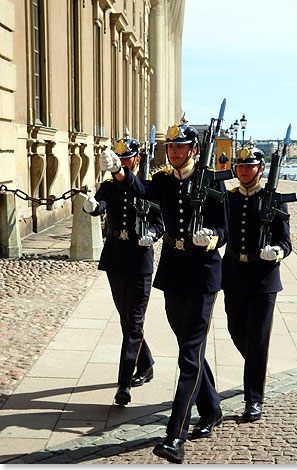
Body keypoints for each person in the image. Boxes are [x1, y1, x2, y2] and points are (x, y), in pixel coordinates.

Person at [99, 122, 229, 463]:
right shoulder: (163, 180)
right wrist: (121, 173)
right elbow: (141, 192)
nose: (174, 151)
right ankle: (212, 407)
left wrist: (212, 236)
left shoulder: (213, 180)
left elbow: (224, 227)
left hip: (203, 274)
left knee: (188, 355)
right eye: (171, 147)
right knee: (189, 346)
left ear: (194, 150)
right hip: (173, 273)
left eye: (181, 147)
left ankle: (175, 435)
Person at [82, 133, 164, 406]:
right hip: (116, 259)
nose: (123, 164)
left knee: (134, 323)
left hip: (140, 261)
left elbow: (158, 222)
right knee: (126, 320)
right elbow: (102, 204)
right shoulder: (108, 186)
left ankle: (124, 384)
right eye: (120, 160)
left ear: (136, 160)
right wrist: (91, 206)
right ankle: (147, 362)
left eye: (127, 159)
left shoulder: (149, 186)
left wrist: (152, 234)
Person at [222, 146, 292, 421]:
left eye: (249, 167)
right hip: (234, 273)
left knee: (258, 339)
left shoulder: (273, 199)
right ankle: (256, 366)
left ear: (260, 170)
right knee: (236, 330)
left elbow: (286, 241)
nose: (244, 171)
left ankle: (254, 399)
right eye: (240, 167)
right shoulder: (228, 198)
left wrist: (277, 252)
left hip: (263, 279)